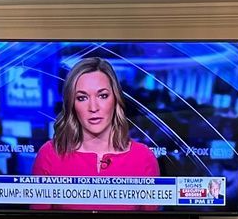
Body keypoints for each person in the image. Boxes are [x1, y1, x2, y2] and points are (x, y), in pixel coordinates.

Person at [31, 57, 159, 181]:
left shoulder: (143, 158)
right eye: (82, 98)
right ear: (71, 104)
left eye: (103, 96)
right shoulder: (50, 155)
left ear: (115, 99)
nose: (93, 107)